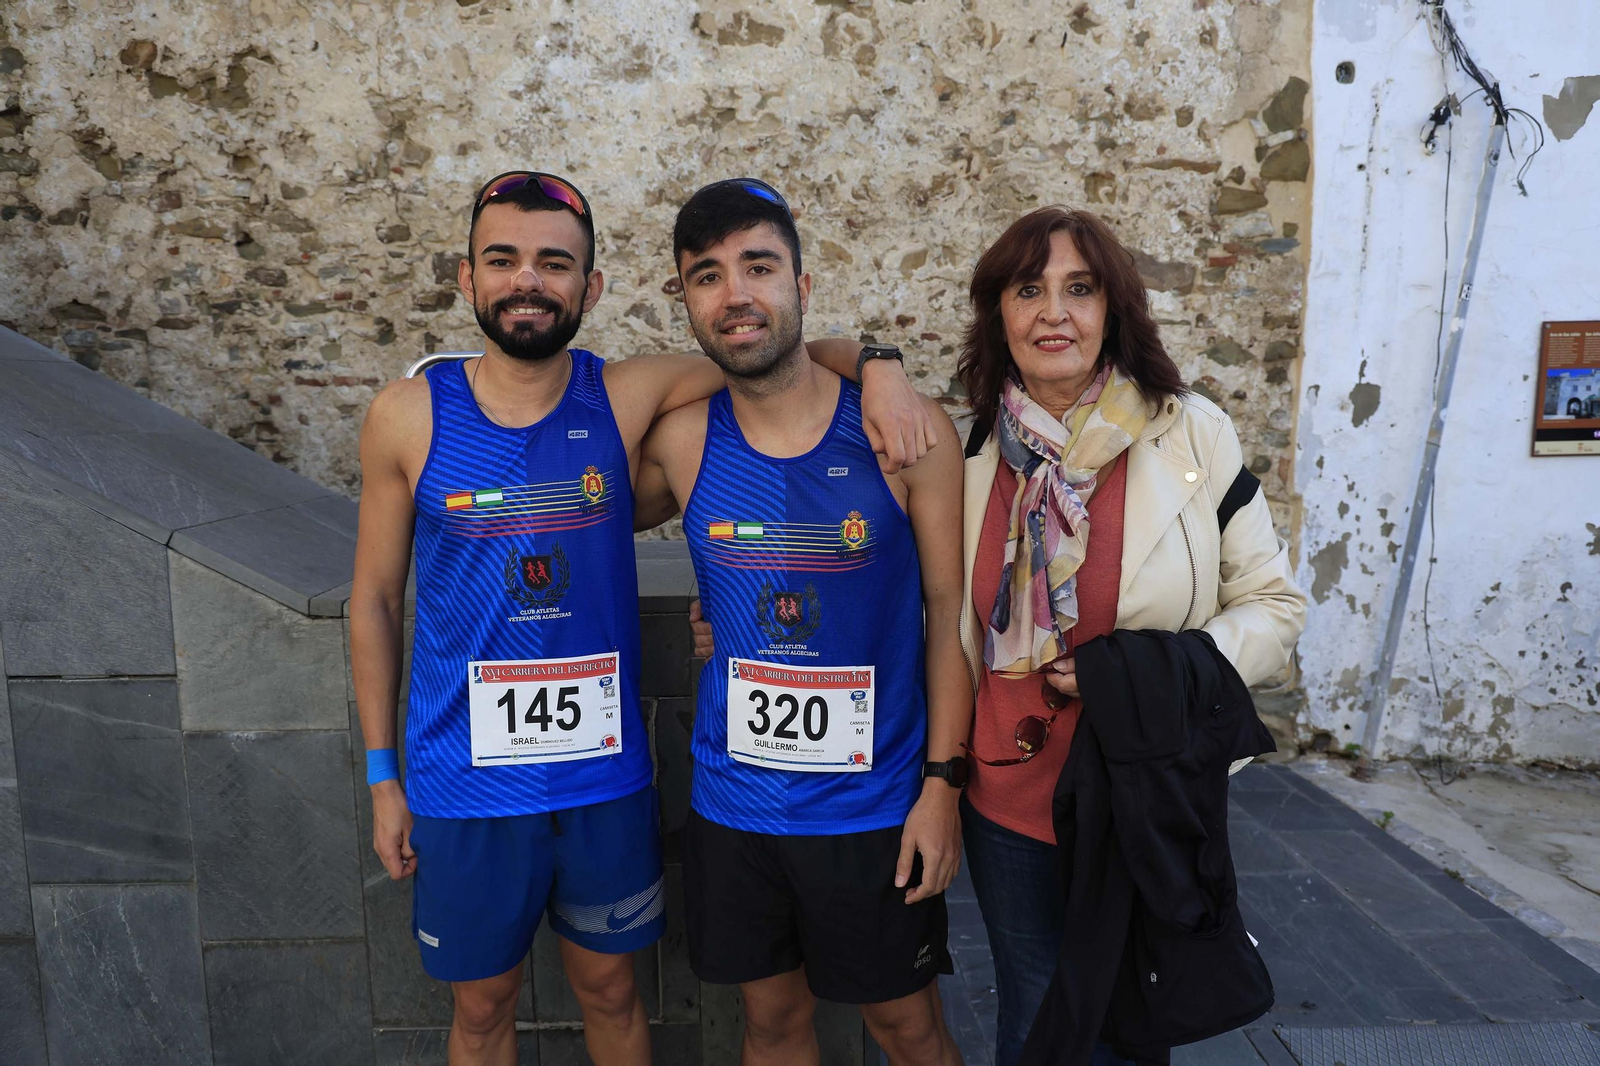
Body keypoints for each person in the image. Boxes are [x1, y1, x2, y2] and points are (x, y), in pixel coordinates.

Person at [349, 171, 935, 1066]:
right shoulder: (406, 415)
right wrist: (384, 778)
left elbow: (772, 347)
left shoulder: (625, 396)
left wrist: (883, 365)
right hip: (462, 782)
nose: (528, 282)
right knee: (480, 1012)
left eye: (555, 264)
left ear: (592, 289)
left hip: (605, 784)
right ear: (467, 279)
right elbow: (375, 602)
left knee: (614, 993)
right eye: (502, 260)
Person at [953, 207, 1307, 1065]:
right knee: (1034, 1016)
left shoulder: (1192, 433)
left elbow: (1275, 606)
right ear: (998, 311)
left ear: (1115, 308)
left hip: (1142, 789)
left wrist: (1138, 670)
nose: (1053, 313)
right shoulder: (965, 447)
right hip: (1007, 799)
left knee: (1132, 1022)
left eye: (1081, 289)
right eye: (1027, 289)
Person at [634, 178, 971, 1065]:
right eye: (707, 276)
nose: (735, 294)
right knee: (771, 1025)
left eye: (759, 267)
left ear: (803, 285)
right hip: (735, 806)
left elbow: (951, 619)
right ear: (686, 301)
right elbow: (564, 491)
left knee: (907, 1027)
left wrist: (942, 789)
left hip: (871, 807)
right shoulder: (685, 439)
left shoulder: (904, 435)